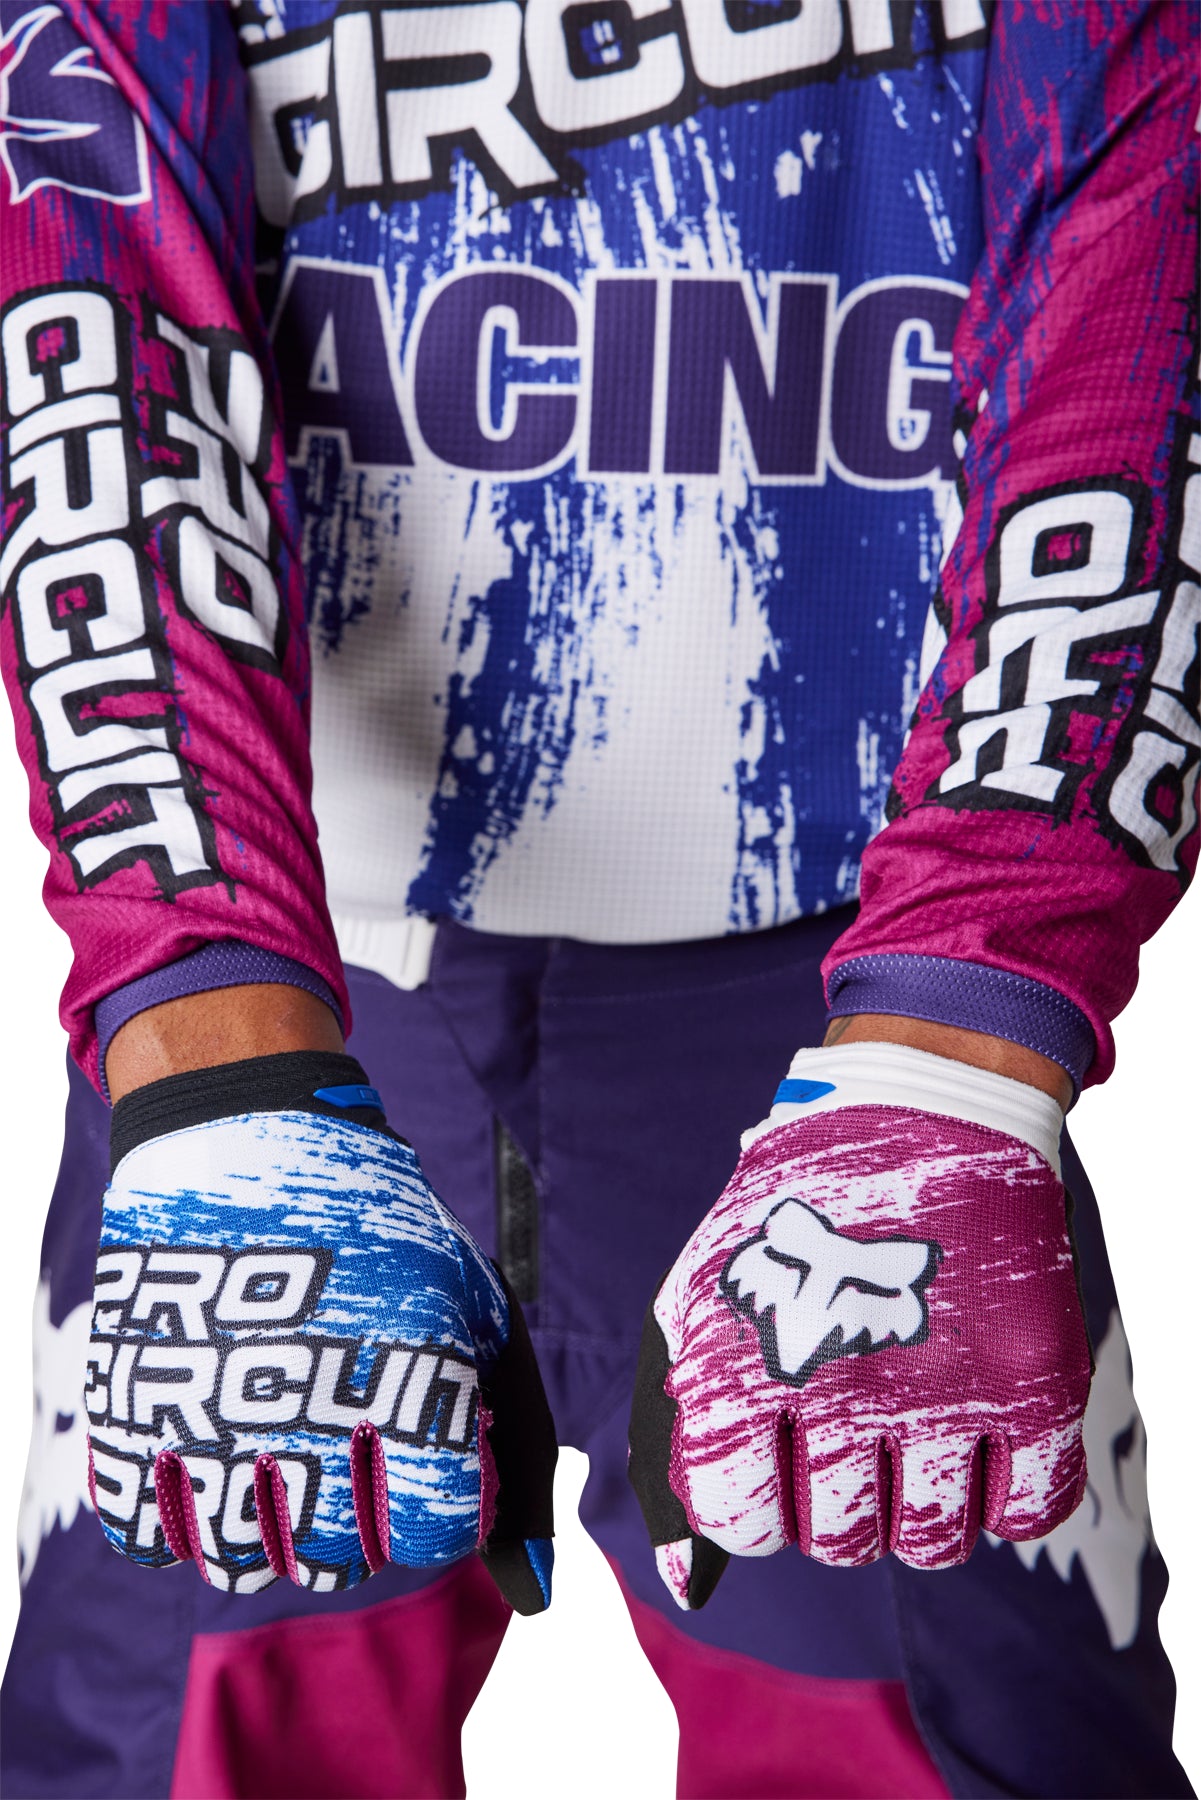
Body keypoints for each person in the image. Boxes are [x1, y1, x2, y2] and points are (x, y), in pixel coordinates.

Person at [0, 1, 1197, 1795]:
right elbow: (93, 344)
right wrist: (215, 1066)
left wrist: (948, 1060)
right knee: (176, 1762)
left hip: (861, 995)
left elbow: (1137, 317)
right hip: (301, 986)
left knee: (965, 1760)